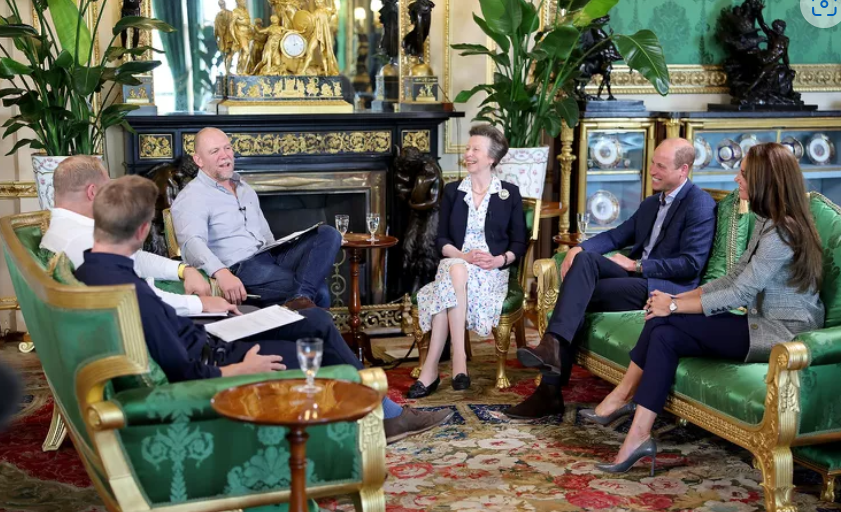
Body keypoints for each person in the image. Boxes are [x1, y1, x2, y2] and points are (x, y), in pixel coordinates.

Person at [76, 176, 454, 444]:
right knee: (316, 344)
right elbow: (182, 371)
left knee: (314, 316)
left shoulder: (90, 271)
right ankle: (382, 417)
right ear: (143, 232)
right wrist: (239, 369)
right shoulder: (127, 291)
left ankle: (382, 414)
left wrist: (209, 312)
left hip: (214, 333)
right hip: (218, 360)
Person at [587, 142, 824, 474]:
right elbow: (734, 277)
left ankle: (624, 401)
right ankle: (637, 433)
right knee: (663, 329)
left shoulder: (782, 232)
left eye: (744, 174)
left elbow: (741, 292)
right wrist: (678, 300)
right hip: (759, 321)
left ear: (765, 180)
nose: (737, 179)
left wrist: (673, 304)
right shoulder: (766, 220)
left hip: (781, 333)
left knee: (665, 321)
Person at [508, 138, 717, 419]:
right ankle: (551, 352)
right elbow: (617, 235)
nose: (652, 171)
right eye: (652, 163)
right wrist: (580, 248)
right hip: (635, 276)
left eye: (661, 166)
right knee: (584, 261)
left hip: (663, 287)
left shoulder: (699, 204)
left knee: (575, 294)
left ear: (683, 170)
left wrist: (637, 265)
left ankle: (549, 387)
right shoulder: (652, 203)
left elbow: (690, 265)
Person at [408, 125, 527, 398]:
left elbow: (519, 243)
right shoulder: (453, 191)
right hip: (455, 263)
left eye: (476, 149)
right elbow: (441, 240)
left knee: (446, 288)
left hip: (490, 272)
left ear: (491, 158)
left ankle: (430, 372)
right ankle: (458, 360)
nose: (468, 154)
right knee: (457, 269)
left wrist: (499, 260)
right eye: (467, 148)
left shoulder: (509, 194)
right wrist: (463, 256)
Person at [39, 156, 235, 317]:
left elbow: (135, 259)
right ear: (93, 192)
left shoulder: (71, 231)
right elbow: (136, 298)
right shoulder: (81, 240)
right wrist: (200, 304)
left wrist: (182, 269)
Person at [171, 127, 342, 311]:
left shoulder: (244, 188)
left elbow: (266, 234)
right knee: (320, 291)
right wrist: (221, 272)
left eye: (227, 148)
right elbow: (191, 244)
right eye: (215, 151)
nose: (224, 155)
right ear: (199, 160)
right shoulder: (192, 196)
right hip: (241, 267)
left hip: (270, 255)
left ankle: (300, 297)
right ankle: (302, 298)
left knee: (328, 233)